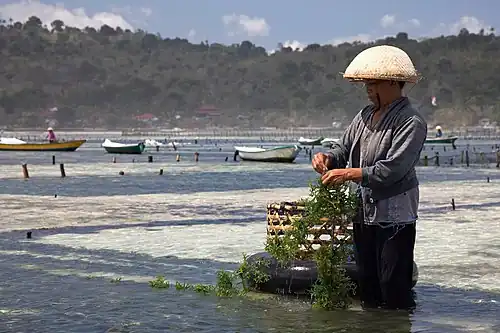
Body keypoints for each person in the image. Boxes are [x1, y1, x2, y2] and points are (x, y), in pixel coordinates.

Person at [311, 45, 427, 310]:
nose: (367, 90)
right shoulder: (364, 116)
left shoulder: (411, 121)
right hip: (364, 210)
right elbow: (343, 148)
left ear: (391, 83)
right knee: (368, 283)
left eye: (372, 84)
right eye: (365, 84)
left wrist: (349, 173)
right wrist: (327, 159)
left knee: (393, 285)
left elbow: (393, 169)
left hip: (395, 215)